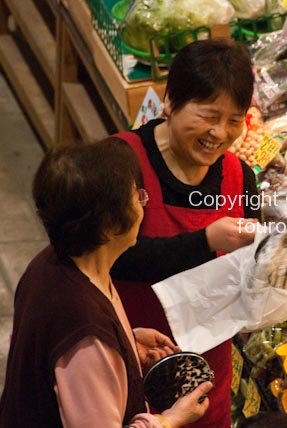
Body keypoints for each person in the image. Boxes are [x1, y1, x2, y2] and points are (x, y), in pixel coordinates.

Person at [0, 139, 213, 427]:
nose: (142, 202)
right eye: (136, 196)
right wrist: (169, 420)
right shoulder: (87, 334)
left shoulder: (50, 262)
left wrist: (125, 344)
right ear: (109, 225)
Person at [110, 38, 260, 428]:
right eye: (209, 115)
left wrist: (273, 275)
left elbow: (246, 269)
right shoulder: (122, 162)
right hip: (126, 362)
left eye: (234, 120)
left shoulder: (240, 176)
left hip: (207, 381)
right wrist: (206, 241)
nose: (220, 132)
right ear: (171, 102)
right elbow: (111, 256)